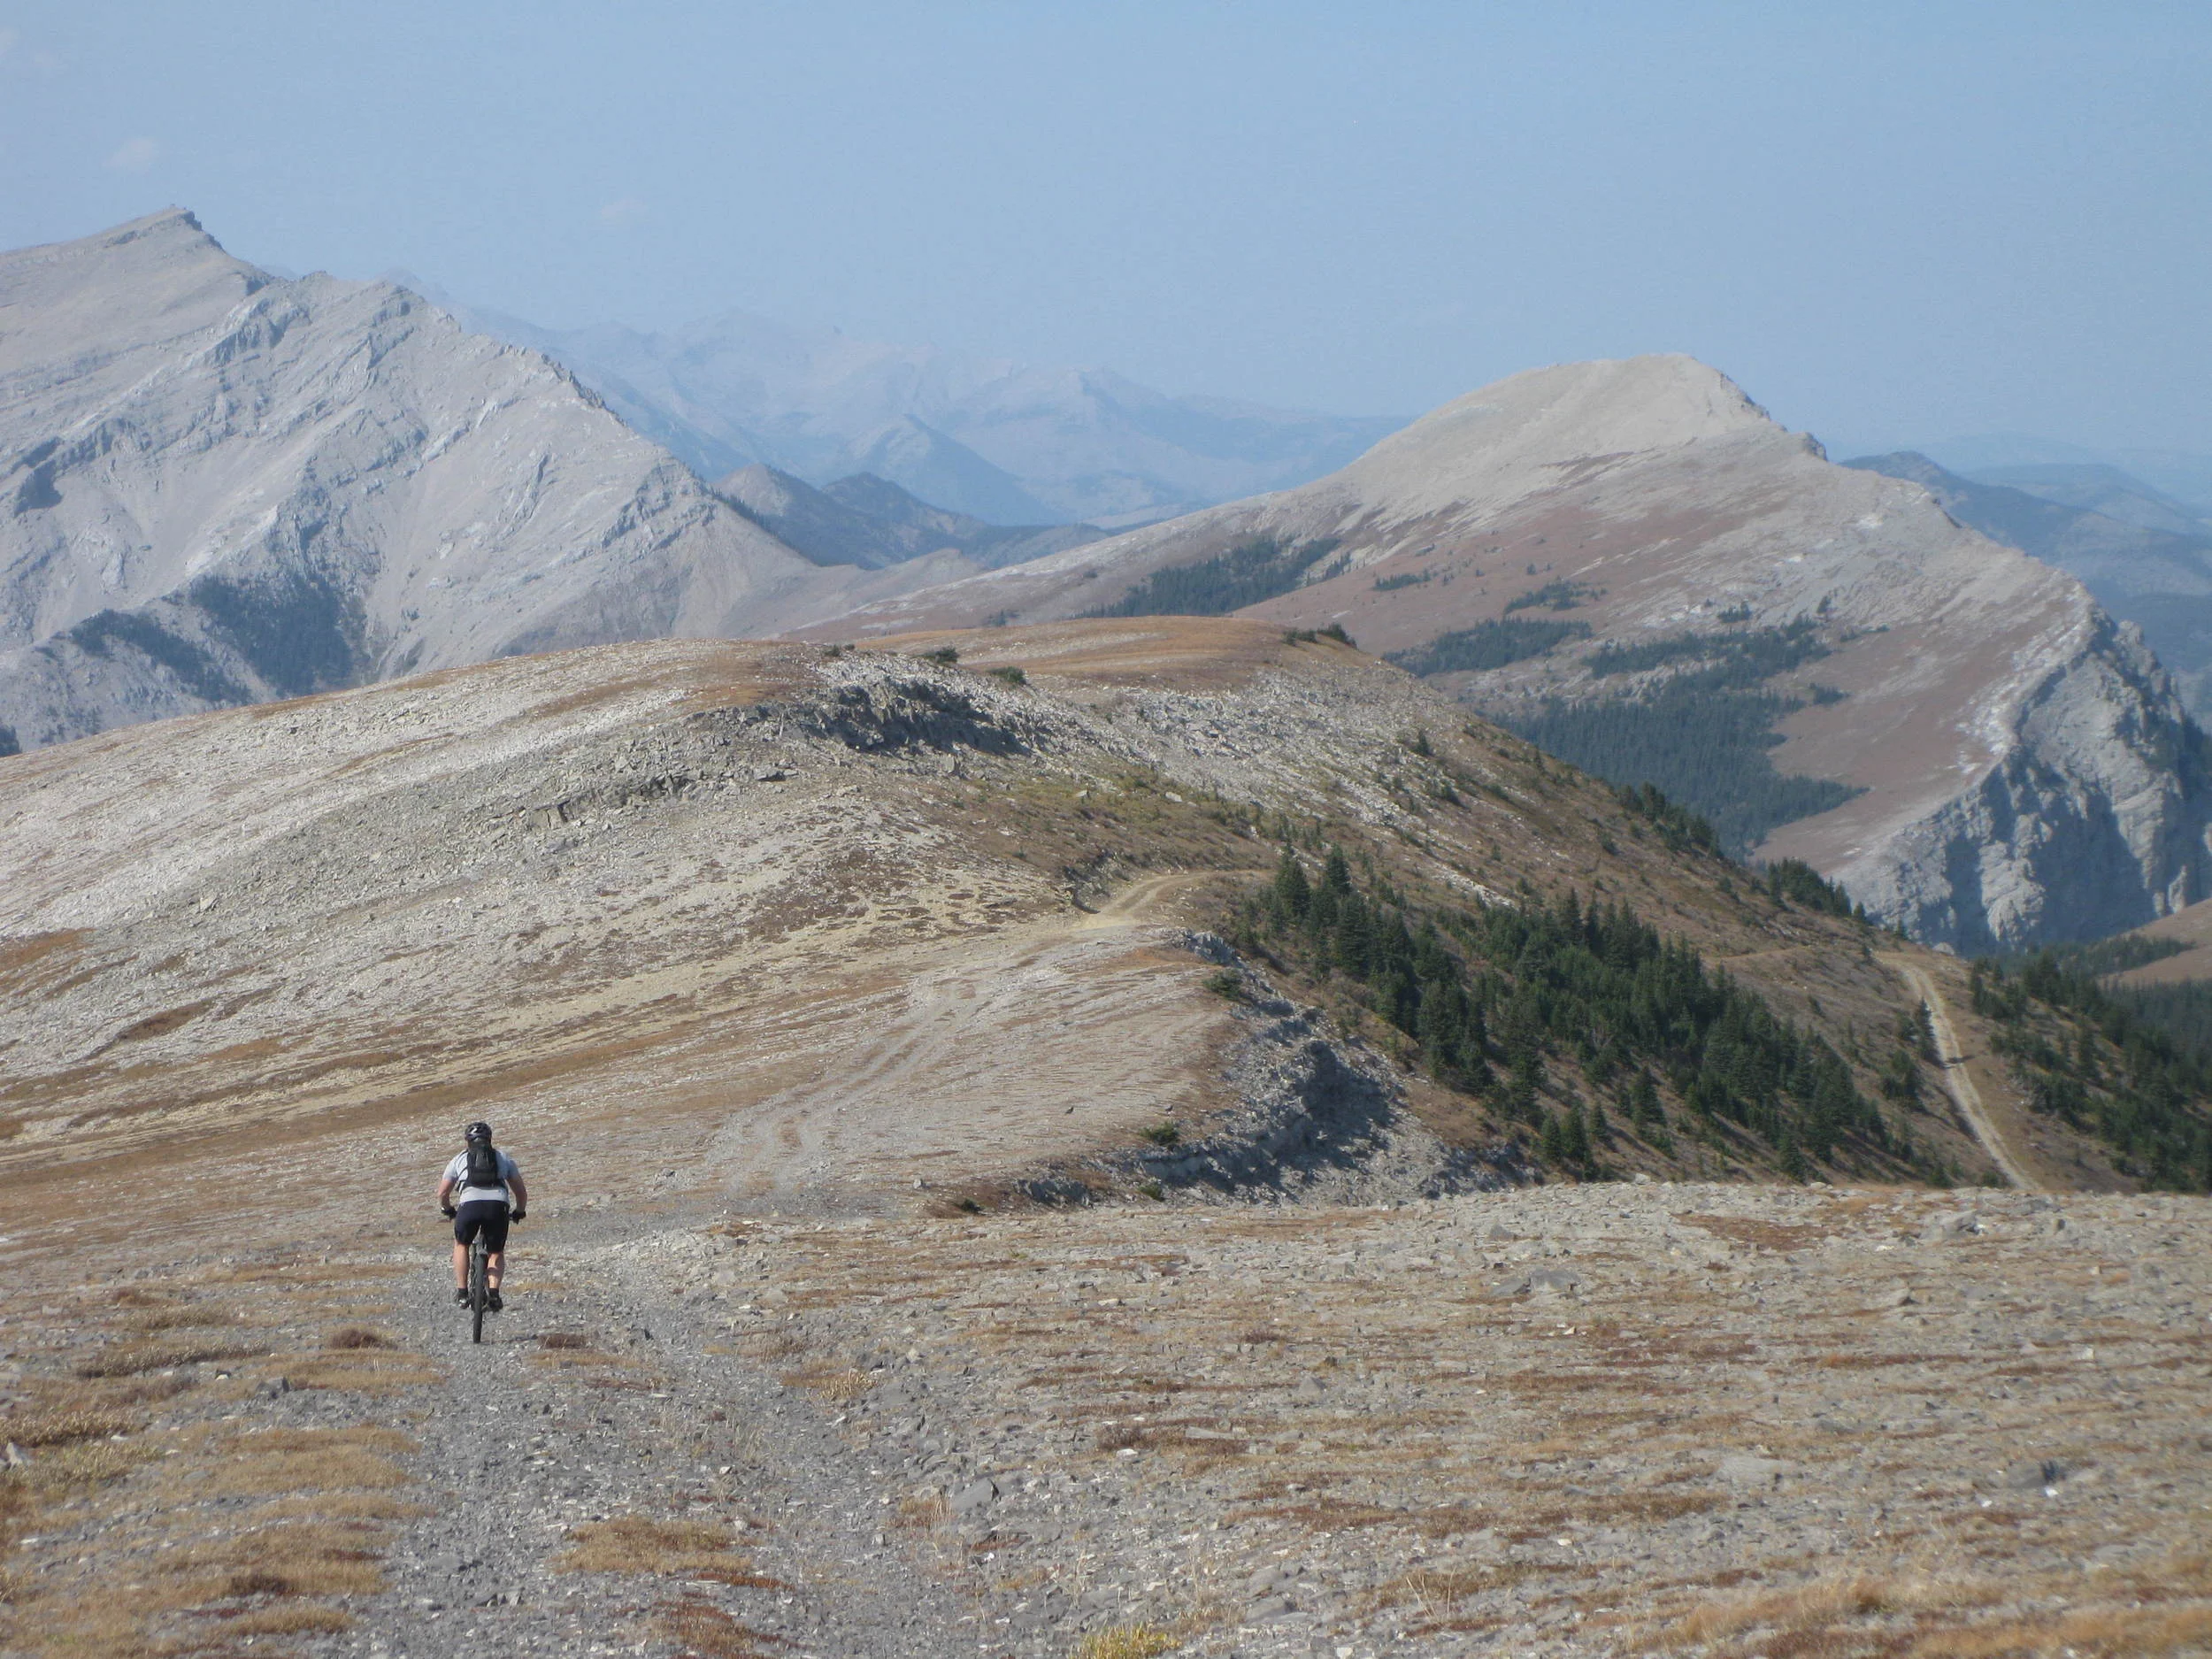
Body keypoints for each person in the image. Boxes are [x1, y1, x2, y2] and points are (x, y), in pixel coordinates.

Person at [436, 1121, 527, 1310]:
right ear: (490, 1139)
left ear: (467, 1141)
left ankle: (462, 1293)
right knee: (496, 1252)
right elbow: (520, 1192)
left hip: (469, 1206)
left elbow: (443, 1193)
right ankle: (494, 1294)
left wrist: (447, 1209)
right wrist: (520, 1210)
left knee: (461, 1244)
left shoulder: (458, 1159)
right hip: (497, 1205)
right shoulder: (502, 1157)